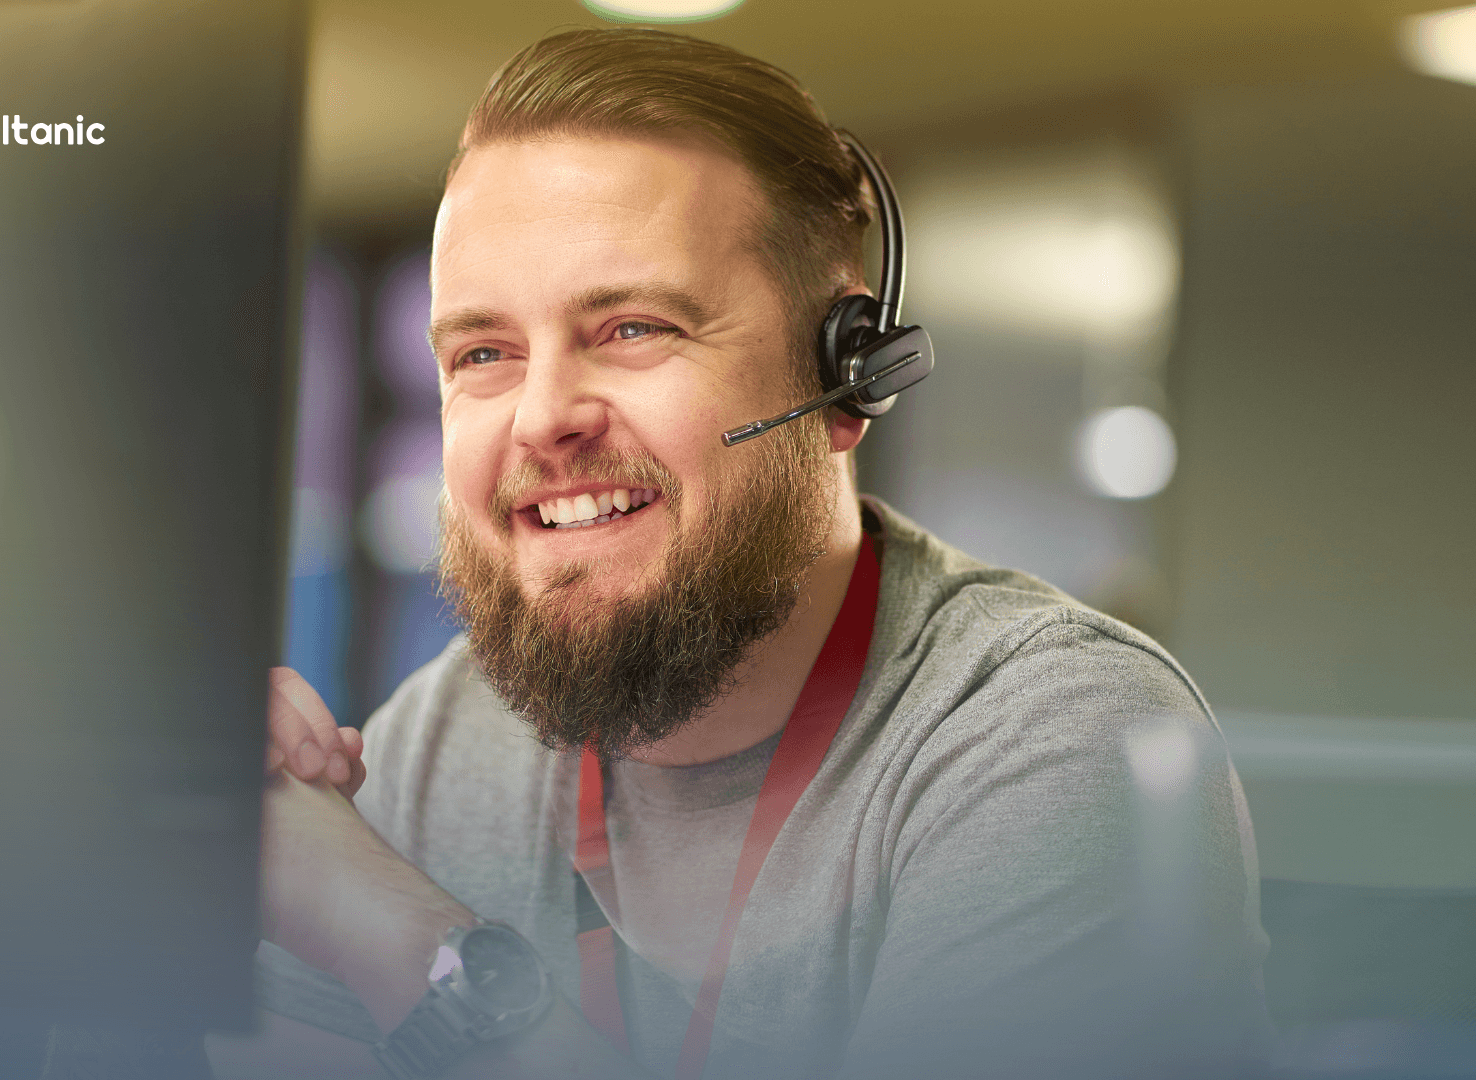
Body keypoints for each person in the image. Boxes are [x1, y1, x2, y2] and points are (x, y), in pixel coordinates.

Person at [208, 27, 1271, 1080]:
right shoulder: (449, 731)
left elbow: (375, 939)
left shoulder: (1050, 737)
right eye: (483, 353)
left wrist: (392, 932)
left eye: (632, 328)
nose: (542, 419)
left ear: (848, 379)